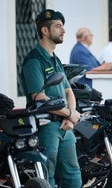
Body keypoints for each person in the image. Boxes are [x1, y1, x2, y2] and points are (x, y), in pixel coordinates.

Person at [21, 9, 82, 188]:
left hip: (65, 125)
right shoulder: (34, 60)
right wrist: (69, 114)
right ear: (44, 31)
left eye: (63, 26)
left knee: (73, 174)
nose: (63, 30)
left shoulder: (55, 60)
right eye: (58, 26)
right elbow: (39, 97)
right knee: (48, 175)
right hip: (47, 126)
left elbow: (69, 91)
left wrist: (71, 115)